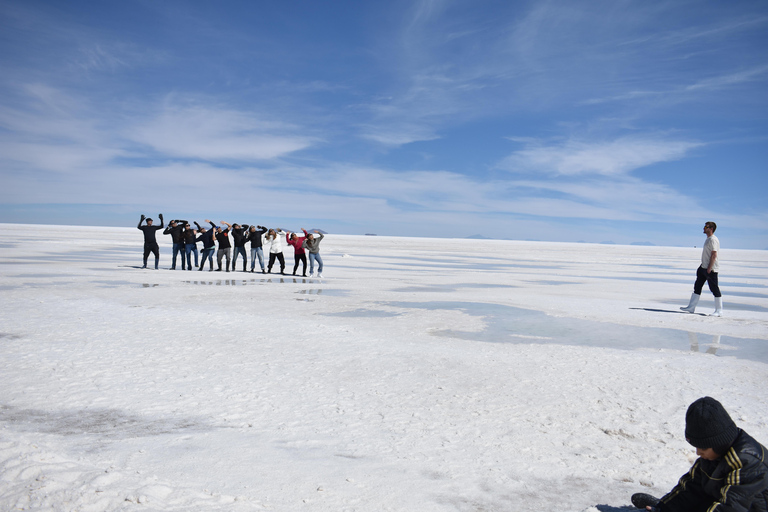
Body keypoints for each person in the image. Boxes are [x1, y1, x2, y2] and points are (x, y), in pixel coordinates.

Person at [631, 396, 768, 512]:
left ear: (718, 442)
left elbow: (731, 507)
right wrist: (663, 508)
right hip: (722, 500)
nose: (698, 452)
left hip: (749, 508)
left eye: (702, 447)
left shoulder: (746, 461)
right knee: (695, 498)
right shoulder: (712, 455)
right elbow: (690, 487)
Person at [681, 222, 723, 316]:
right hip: (703, 267)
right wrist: (702, 267)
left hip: (711, 269)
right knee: (697, 286)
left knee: (714, 288)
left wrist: (709, 268)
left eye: (706, 227)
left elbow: (714, 254)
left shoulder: (713, 240)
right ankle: (691, 307)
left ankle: (719, 310)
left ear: (711, 229)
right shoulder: (708, 239)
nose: (703, 228)